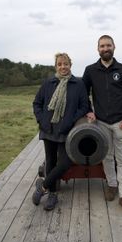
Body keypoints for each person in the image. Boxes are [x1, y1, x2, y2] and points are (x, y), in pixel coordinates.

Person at [82, 35, 122, 214]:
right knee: (106, 157)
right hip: (101, 123)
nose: (105, 48)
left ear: (114, 47)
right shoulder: (90, 70)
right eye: (102, 46)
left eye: (108, 45)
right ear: (97, 49)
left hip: (121, 122)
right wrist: (89, 110)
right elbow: (84, 94)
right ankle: (112, 186)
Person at [32, 53, 89, 210]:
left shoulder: (78, 84)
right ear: (56, 66)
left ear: (70, 65)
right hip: (48, 129)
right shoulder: (48, 83)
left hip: (67, 131)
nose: (63, 67)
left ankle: (42, 187)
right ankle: (52, 194)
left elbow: (85, 106)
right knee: (50, 161)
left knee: (65, 163)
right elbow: (37, 103)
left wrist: (71, 119)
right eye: (59, 64)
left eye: (66, 64)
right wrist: (42, 120)